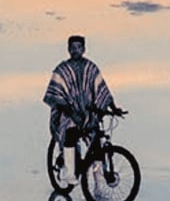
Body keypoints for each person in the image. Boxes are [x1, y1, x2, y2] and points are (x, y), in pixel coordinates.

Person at [44, 34, 122, 178]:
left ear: (84, 49)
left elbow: (102, 88)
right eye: (72, 48)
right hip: (68, 113)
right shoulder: (62, 70)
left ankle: (99, 181)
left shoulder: (91, 68)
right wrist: (72, 113)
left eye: (79, 47)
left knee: (96, 143)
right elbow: (56, 94)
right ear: (68, 49)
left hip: (88, 113)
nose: (75, 50)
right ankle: (69, 173)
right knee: (70, 134)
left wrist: (114, 107)